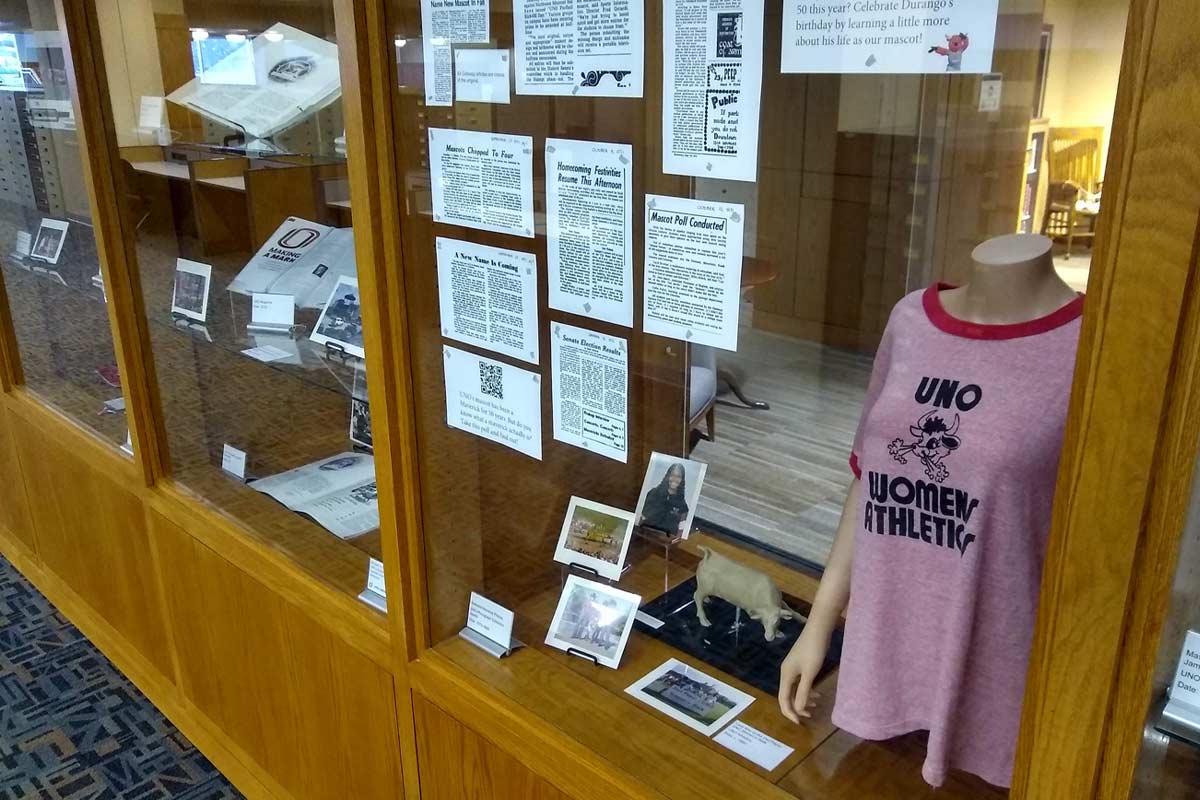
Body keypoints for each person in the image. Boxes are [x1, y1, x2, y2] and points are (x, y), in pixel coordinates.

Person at [639, 463, 689, 535]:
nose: (675, 479)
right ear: (667, 476)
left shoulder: (682, 505)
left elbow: (680, 531)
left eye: (678, 476)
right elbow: (641, 517)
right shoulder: (653, 493)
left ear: (682, 479)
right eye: (672, 475)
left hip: (665, 541)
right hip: (646, 535)